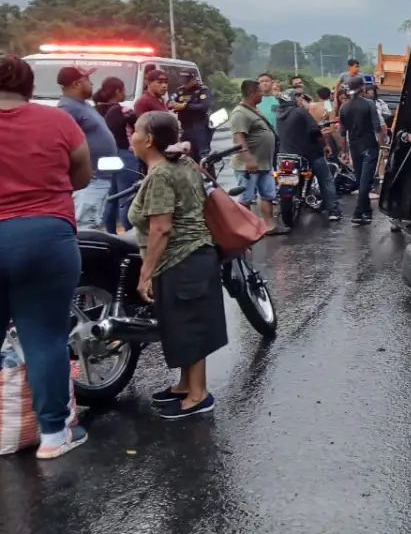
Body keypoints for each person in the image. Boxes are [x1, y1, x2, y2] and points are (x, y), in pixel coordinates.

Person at [0, 54, 92, 458]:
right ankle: (53, 437)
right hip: (46, 236)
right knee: (45, 340)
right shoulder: (57, 121)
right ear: (30, 86)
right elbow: (82, 175)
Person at [127, 111, 227, 419]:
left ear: (149, 140)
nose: (131, 137)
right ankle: (186, 385)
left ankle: (199, 395)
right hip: (195, 257)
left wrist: (146, 274)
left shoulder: (160, 175)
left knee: (189, 326)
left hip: (182, 258)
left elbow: (161, 228)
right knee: (185, 324)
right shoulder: (182, 164)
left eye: (136, 131)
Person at [57, 66, 118, 231]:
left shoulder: (82, 105)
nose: (91, 84)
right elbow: (61, 142)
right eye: (87, 80)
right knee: (85, 226)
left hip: (99, 177)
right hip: (89, 181)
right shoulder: (68, 109)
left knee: (94, 223)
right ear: (77, 84)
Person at [229, 79, 286, 234]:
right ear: (252, 92)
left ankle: (269, 226)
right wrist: (248, 159)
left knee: (267, 195)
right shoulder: (240, 113)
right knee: (246, 198)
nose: (262, 94)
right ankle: (246, 230)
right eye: (259, 91)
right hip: (249, 165)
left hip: (264, 163)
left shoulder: (254, 109)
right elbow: (239, 138)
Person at [276, 89, 342, 221]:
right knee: (325, 178)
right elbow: (325, 123)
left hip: (286, 153)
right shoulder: (327, 105)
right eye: (299, 98)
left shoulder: (279, 113)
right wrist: (327, 144)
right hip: (309, 152)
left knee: (284, 180)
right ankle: (333, 210)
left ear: (317, 95)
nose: (301, 100)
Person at [94, 77, 138, 233]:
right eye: (124, 90)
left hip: (107, 157)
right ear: (118, 91)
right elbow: (138, 126)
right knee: (127, 198)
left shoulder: (96, 109)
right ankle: (129, 234)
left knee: (111, 198)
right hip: (126, 155)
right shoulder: (123, 111)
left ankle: (111, 234)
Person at [339, 76, 384, 225]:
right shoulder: (369, 104)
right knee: (365, 180)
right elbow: (377, 127)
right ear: (362, 87)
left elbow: (342, 132)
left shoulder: (343, 107)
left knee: (360, 179)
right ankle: (358, 211)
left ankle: (366, 212)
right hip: (369, 146)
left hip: (354, 147)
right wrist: (382, 144)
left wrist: (344, 152)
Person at [170, 69, 212, 157]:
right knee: (185, 154)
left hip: (199, 127)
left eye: (187, 81)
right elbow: (171, 102)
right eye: (183, 81)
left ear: (194, 79)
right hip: (185, 127)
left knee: (203, 155)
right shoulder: (180, 91)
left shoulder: (202, 90)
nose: (184, 84)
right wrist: (172, 104)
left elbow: (204, 106)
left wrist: (185, 106)